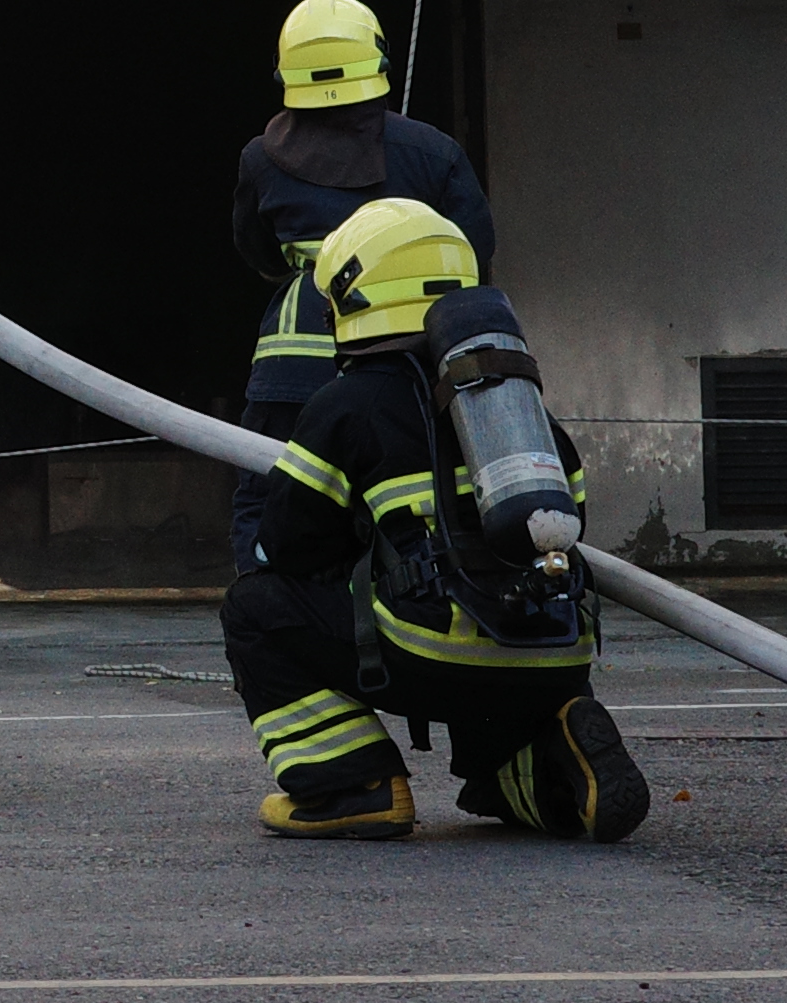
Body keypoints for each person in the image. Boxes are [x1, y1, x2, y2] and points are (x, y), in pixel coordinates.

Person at [220, 198, 648, 844]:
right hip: (551, 653)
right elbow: (571, 516)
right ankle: (551, 763)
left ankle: (352, 785)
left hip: (429, 656)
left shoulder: (346, 404)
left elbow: (288, 544)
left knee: (255, 606)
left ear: (356, 297)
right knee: (497, 759)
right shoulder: (516, 404)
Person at [228, 0, 496, 576]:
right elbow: (474, 260)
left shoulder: (260, 158)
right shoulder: (434, 152)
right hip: (414, 359)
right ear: (376, 60)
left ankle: (280, 628)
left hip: (295, 363)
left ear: (285, 71)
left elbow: (255, 250)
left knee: (271, 495)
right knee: (416, 495)